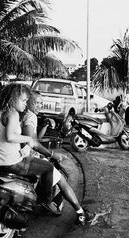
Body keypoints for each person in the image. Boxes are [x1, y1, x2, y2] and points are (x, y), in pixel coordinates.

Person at [0, 85, 89, 225]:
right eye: (26, 100)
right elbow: (15, 137)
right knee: (49, 168)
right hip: (13, 162)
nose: (30, 104)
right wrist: (31, 141)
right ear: (14, 99)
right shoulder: (17, 114)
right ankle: (44, 201)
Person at [21, 91, 91, 224]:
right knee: (63, 180)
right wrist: (52, 154)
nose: (39, 106)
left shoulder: (23, 115)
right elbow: (33, 144)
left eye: (41, 103)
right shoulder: (30, 116)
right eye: (36, 102)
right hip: (30, 157)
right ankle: (80, 213)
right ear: (28, 102)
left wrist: (45, 126)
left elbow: (36, 139)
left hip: (27, 155)